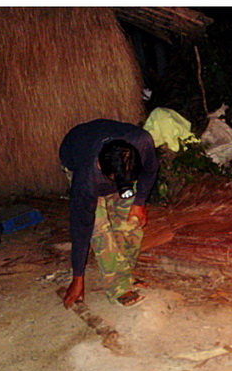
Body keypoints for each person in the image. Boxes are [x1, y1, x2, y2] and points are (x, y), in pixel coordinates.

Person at [59, 119, 159, 309]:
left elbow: (150, 170)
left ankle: (125, 274)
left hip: (114, 161)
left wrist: (140, 202)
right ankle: (118, 287)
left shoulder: (142, 142)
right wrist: (78, 277)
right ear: (99, 165)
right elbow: (82, 229)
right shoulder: (86, 179)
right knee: (100, 230)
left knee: (132, 223)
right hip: (75, 153)